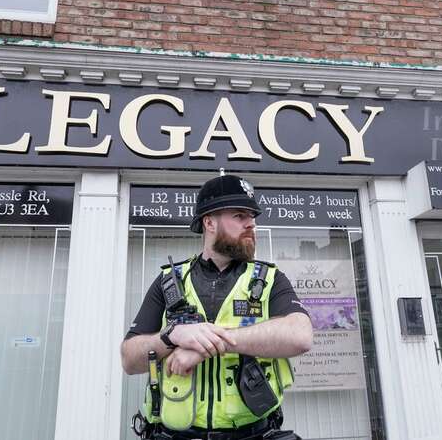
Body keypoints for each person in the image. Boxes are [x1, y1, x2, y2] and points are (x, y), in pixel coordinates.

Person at [121, 174, 313, 440]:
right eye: (239, 215)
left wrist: (207, 345)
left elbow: (300, 336)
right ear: (209, 222)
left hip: (253, 434)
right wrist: (171, 336)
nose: (251, 223)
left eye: (252, 216)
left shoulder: (269, 279)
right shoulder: (170, 280)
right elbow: (130, 359)